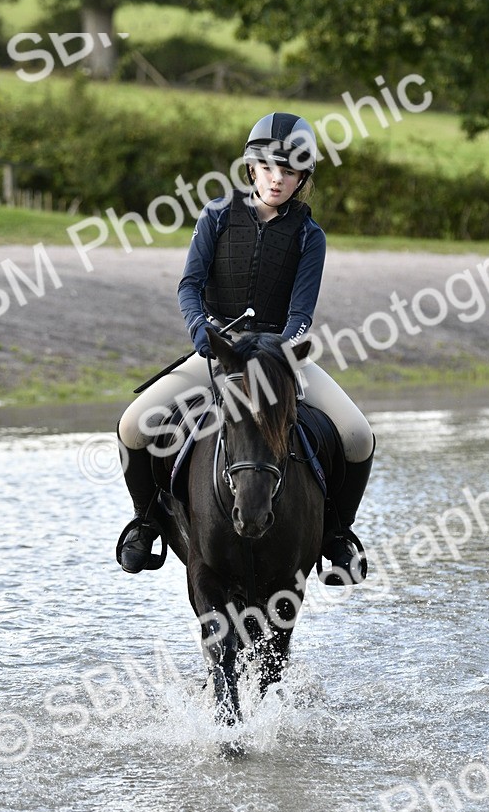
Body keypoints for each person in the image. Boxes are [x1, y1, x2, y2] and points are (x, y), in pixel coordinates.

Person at [116, 111, 375, 583]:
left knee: (358, 437)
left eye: (290, 171)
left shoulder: (309, 236)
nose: (278, 180)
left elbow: (301, 316)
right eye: (270, 168)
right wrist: (203, 332)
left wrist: (282, 352)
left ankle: (338, 535)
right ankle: (146, 521)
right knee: (133, 425)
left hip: (281, 358)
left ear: (302, 178)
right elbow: (189, 286)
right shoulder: (215, 216)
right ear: (252, 168)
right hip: (220, 351)